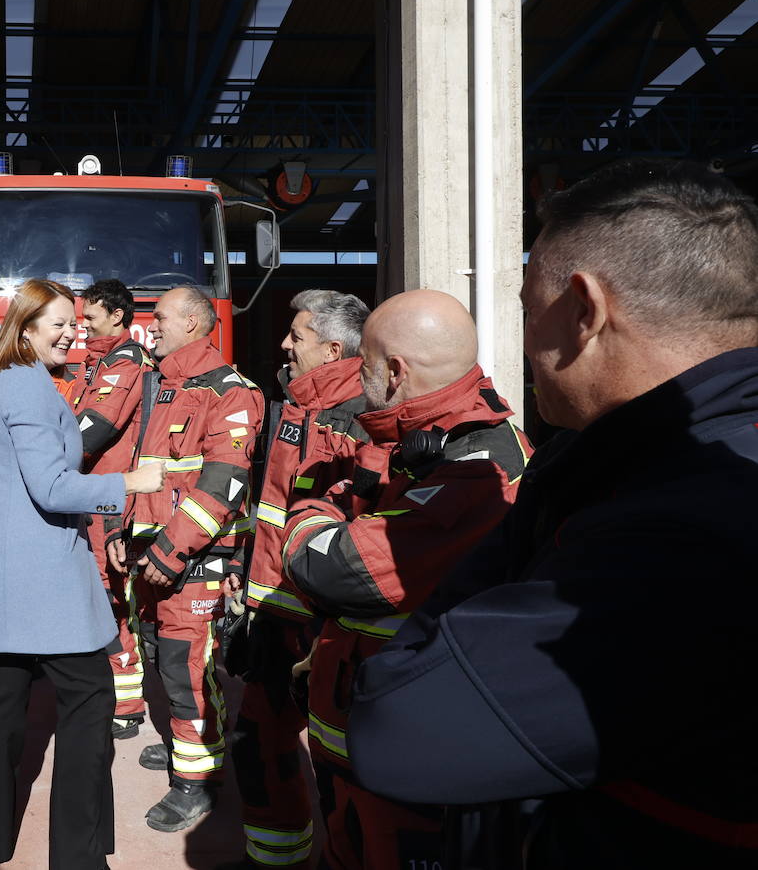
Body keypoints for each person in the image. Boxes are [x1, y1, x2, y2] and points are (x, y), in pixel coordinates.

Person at [347, 161, 758, 868]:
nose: (528, 346)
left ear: (584, 309)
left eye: (526, 309)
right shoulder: (677, 468)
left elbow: (397, 723)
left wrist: (553, 485)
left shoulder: (674, 530)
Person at [280, 289, 531, 869]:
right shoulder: (429, 442)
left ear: (394, 373)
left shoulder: (476, 469)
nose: (353, 377)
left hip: (405, 753)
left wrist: (312, 509)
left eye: (362, 365)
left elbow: (330, 567)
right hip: (369, 732)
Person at [0, 278, 165, 870]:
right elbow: (54, 487)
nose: (72, 331)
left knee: (1, 702)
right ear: (27, 328)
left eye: (75, 322)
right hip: (42, 577)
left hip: (3, 574)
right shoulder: (32, 391)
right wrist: (130, 484)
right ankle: (80, 857)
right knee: (90, 703)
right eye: (59, 323)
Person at [225, 290, 371, 869]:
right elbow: (272, 509)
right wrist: (248, 585)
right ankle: (275, 860)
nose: (284, 344)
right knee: (258, 747)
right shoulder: (296, 406)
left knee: (341, 770)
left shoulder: (362, 416)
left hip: (324, 628)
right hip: (273, 613)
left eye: (297, 337)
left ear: (332, 348)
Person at [117, 285, 264, 833]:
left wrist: (171, 550)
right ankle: (190, 751)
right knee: (166, 660)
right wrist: (125, 532)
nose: (149, 326)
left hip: (191, 560)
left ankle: (196, 784)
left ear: (194, 324)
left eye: (158, 318)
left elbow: (223, 484)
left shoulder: (231, 392)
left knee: (187, 671)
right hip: (153, 557)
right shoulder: (164, 385)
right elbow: (147, 467)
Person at [67, 278, 155, 739]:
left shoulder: (124, 362)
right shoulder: (100, 361)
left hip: (109, 501)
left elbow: (93, 429)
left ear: (117, 316)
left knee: (113, 596)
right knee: (103, 594)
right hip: (98, 493)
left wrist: (48, 464)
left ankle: (127, 703)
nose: (84, 326)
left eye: (91, 317)